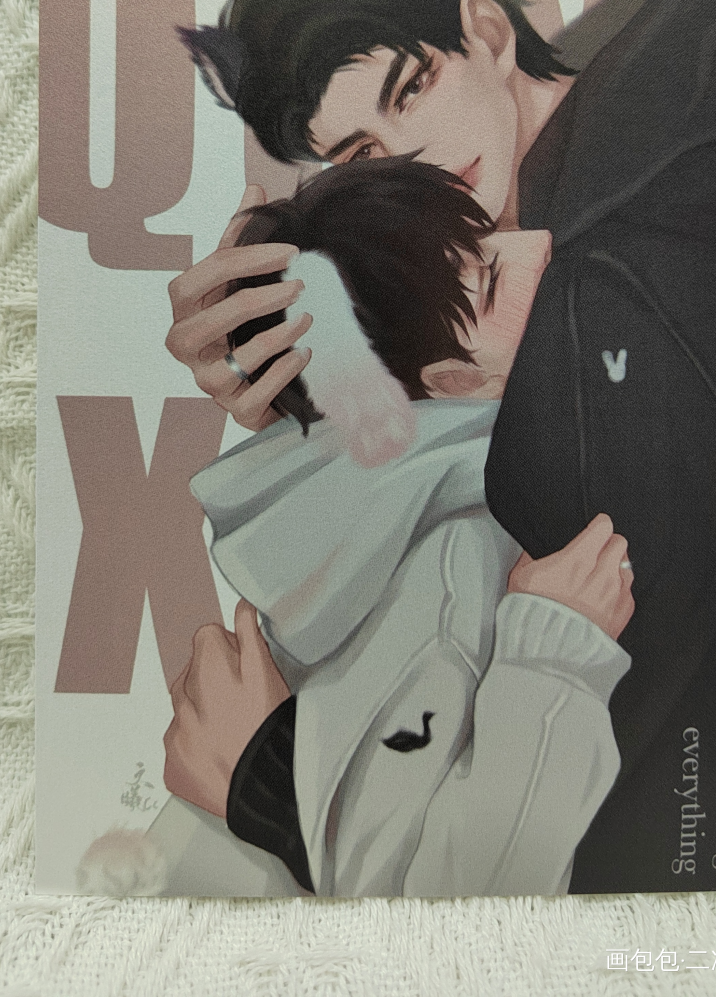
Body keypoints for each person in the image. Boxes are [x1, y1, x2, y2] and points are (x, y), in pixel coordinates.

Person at [167, 0, 716, 892]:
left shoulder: (595, 298)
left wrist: (276, 787)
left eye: (412, 88)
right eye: (359, 156)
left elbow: (585, 836)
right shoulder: (611, 84)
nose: (417, 159)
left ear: (485, 30)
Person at [151, 158, 634, 897]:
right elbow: (435, 895)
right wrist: (555, 651)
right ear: (451, 382)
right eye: (492, 281)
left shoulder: (384, 504)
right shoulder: (455, 556)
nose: (538, 243)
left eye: (496, 236)